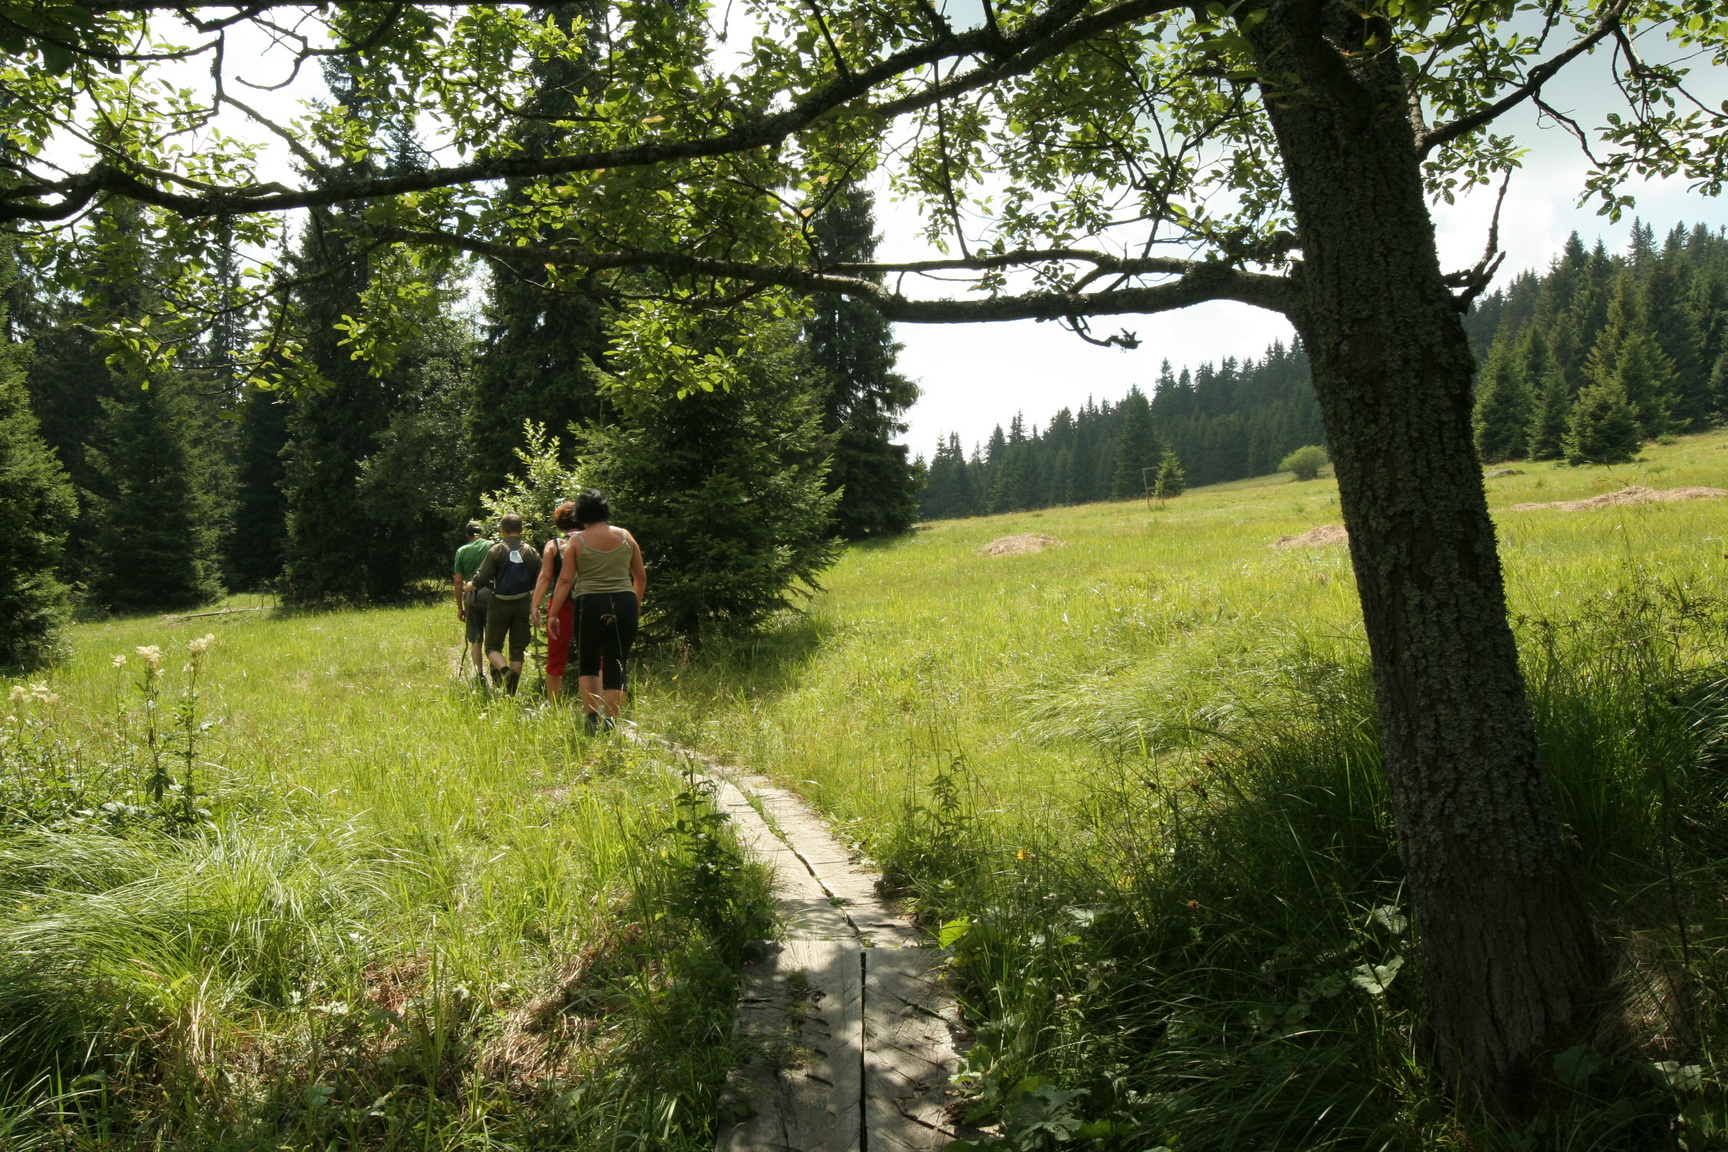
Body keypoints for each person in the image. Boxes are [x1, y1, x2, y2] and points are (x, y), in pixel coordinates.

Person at [547, 488, 646, 734]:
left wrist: (553, 613)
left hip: (589, 604)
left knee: (589, 662)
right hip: (624, 602)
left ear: (581, 514)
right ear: (605, 510)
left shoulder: (576, 542)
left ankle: (592, 719)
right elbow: (640, 576)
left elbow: (565, 580)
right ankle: (611, 723)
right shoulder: (625, 536)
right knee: (616, 662)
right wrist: (635, 604)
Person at [467, 512, 542, 695]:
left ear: (502, 530)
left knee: (492, 647)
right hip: (522, 603)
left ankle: (505, 671)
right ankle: (511, 693)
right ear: (521, 529)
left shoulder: (497, 550)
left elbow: (482, 578)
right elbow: (540, 578)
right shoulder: (531, 551)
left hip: (499, 603)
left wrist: (470, 586)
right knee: (517, 649)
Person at [531, 500, 580, 703]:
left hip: (561, 605)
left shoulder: (554, 545)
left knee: (556, 656)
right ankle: (597, 704)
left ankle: (554, 705)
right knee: (597, 654)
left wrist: (535, 604)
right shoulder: (592, 541)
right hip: (590, 603)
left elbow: (545, 577)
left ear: (560, 523)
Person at [452, 520, 492, 682]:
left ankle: (479, 674)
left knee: (476, 639)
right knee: (493, 638)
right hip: (492, 597)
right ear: (483, 533)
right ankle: (497, 670)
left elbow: (458, 582)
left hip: (472, 599)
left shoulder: (461, 551)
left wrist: (460, 608)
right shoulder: (492, 546)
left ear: (467, 535)